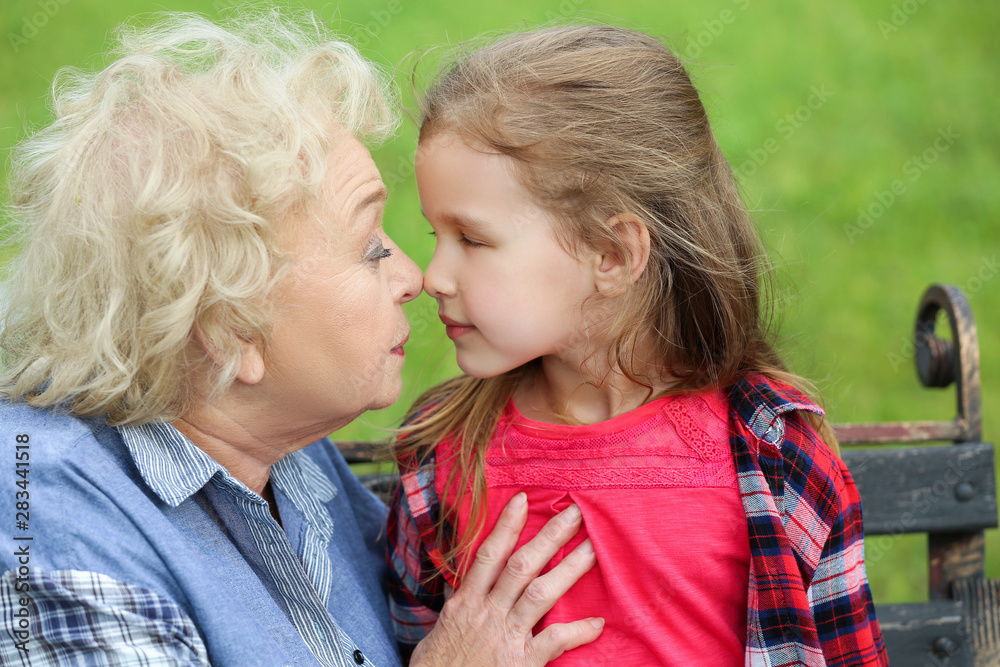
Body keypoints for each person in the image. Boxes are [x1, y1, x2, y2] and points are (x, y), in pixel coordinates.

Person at [0, 12, 604, 666]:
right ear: (233, 333)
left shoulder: (284, 448)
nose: (412, 277)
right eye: (371, 247)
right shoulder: (54, 536)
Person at [386, 25, 888, 666]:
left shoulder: (772, 453)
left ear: (612, 255)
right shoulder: (441, 455)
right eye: (436, 236)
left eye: (473, 240)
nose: (433, 275)